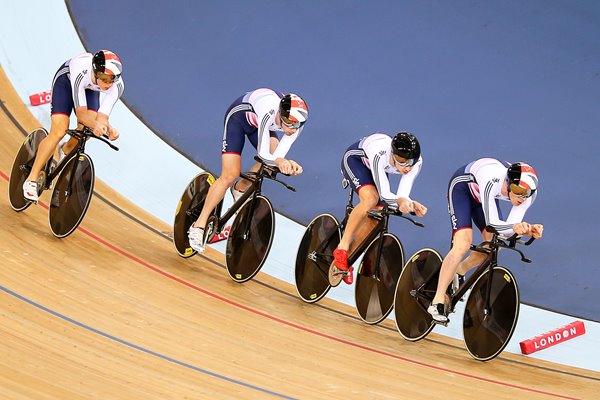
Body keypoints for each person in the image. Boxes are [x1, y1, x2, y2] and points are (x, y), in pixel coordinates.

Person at [188, 88, 309, 252]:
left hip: (260, 126)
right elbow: (264, 155)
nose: (293, 130)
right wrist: (281, 161)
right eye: (290, 123)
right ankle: (199, 226)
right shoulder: (269, 109)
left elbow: (278, 156)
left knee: (271, 162)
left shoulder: (296, 124)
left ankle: (242, 187)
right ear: (280, 114)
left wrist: (288, 165)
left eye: (297, 125)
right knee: (229, 175)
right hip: (238, 119)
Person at [428, 158, 544, 323]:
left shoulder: (527, 194)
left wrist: (526, 230)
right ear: (508, 182)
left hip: (483, 199)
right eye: (518, 190)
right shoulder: (492, 179)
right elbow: (493, 224)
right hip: (462, 190)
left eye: (527, 193)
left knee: (493, 247)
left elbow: (508, 231)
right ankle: (437, 300)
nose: (522, 197)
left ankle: (459, 271)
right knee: (462, 245)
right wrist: (518, 228)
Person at [22, 50, 124, 202]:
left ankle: (66, 149)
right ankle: (31, 179)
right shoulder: (82, 71)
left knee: (88, 131)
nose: (109, 84)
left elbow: (102, 117)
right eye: (104, 79)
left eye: (112, 79)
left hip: (89, 90)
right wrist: (99, 125)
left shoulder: (116, 86)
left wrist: (108, 128)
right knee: (59, 131)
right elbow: (82, 115)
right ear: (95, 72)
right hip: (66, 82)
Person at [332, 132, 428, 284]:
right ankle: (342, 248)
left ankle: (349, 259)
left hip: (378, 170)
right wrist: (402, 202)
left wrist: (409, 203)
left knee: (376, 219)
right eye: (402, 161)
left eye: (411, 162)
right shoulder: (379, 153)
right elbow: (384, 193)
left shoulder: (416, 163)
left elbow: (402, 193)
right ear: (393, 153)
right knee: (370, 199)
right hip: (356, 161)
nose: (408, 167)